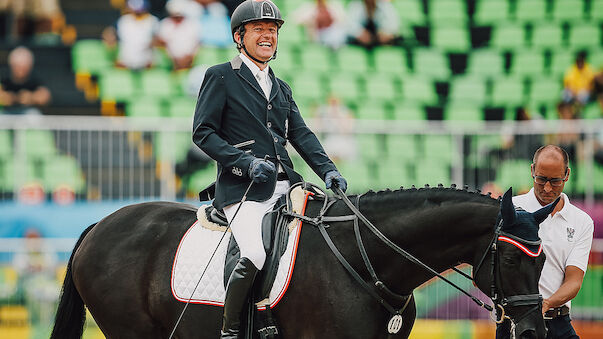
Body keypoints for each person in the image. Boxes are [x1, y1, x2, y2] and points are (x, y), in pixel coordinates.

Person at [192, 1, 347, 337]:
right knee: (255, 252)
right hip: (242, 190)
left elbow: (301, 135)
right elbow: (203, 133)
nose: (268, 36)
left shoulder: (281, 86)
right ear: (239, 36)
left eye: (273, 30)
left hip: (286, 186)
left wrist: (328, 170)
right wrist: (245, 162)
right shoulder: (220, 75)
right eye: (260, 29)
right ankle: (231, 330)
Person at [496, 145, 594, 339]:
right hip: (515, 324)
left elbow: (574, 281)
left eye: (555, 181)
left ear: (567, 174)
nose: (547, 188)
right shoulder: (510, 209)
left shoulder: (582, 221)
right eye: (541, 180)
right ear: (532, 170)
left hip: (558, 323)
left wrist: (546, 304)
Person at [0, 46, 51, 114]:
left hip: (27, 112)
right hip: (7, 112)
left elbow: (45, 96)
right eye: (17, 66)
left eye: (24, 67)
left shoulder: (34, 79)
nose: (20, 70)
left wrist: (31, 97)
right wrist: (7, 97)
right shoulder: (4, 77)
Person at [156, 0, 201, 70]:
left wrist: (188, 59)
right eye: (175, 17)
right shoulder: (165, 24)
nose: (178, 19)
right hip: (171, 64)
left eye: (180, 17)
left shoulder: (192, 24)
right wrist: (173, 60)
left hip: (190, 62)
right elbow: (161, 44)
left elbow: (197, 44)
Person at [114, 0, 159, 70]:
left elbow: (156, 42)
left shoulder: (152, 21)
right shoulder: (123, 21)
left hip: (146, 62)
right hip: (126, 60)